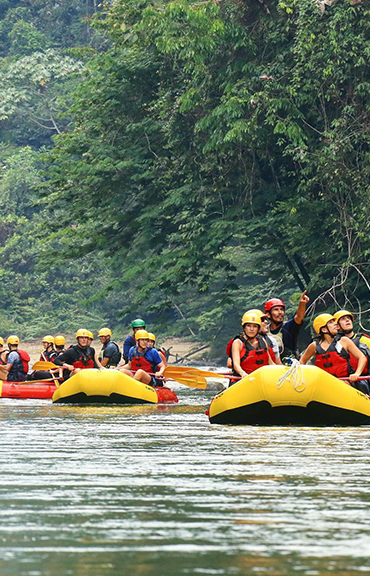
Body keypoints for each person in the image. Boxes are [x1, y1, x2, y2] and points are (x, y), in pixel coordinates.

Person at [300, 313, 368, 393]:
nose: (335, 324)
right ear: (324, 330)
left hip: (345, 382)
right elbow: (301, 362)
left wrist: (357, 374)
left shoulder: (344, 341)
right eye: (331, 322)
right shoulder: (314, 346)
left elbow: (362, 358)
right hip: (325, 385)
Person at [231, 312, 276, 381]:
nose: (251, 329)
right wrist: (243, 374)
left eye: (255, 326)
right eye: (248, 326)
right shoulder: (237, 343)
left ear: (258, 328)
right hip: (242, 381)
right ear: (244, 327)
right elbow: (236, 365)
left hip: (261, 381)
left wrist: (281, 371)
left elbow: (270, 363)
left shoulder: (263, 341)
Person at [264, 290, 310, 358]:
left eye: (282, 309)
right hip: (272, 365)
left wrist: (302, 304)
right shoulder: (264, 331)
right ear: (268, 315)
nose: (280, 312)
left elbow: (299, 317)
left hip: (290, 364)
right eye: (276, 310)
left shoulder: (289, 327)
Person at [334, 309, 370, 374]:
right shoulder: (334, 344)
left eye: (348, 318)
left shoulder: (364, 340)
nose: (347, 320)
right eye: (343, 319)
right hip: (344, 380)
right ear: (337, 326)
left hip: (364, 378)